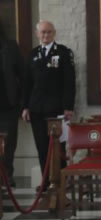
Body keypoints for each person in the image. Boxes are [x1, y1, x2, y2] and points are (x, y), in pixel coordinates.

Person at [22, 20, 76, 191]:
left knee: (57, 147)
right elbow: (27, 83)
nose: (46, 35)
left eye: (49, 32)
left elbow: (69, 82)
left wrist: (68, 107)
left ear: (54, 33)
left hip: (57, 109)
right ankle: (45, 181)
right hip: (37, 108)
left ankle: (60, 181)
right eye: (43, 32)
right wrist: (25, 107)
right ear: (37, 34)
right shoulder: (33, 54)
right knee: (41, 145)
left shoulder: (63, 53)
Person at [0, 21, 24, 187]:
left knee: (9, 144)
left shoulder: (10, 47)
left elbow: (22, 75)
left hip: (8, 105)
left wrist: (22, 103)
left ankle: (7, 175)